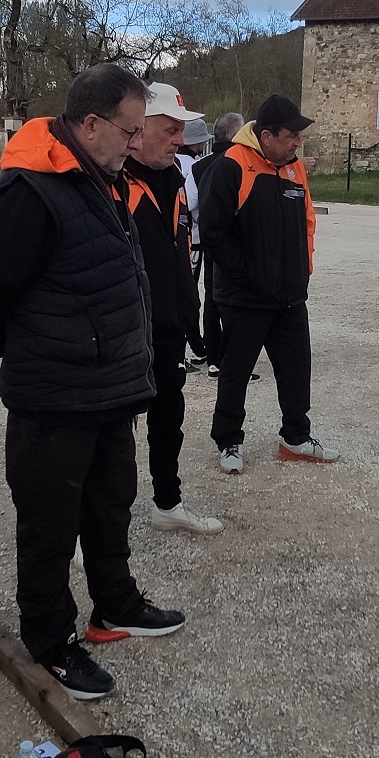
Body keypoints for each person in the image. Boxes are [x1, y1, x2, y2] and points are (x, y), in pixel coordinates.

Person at [0, 63, 185, 702]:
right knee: (49, 525)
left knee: (111, 504)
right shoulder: (34, 192)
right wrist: (45, 355)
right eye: (129, 130)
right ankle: (50, 642)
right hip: (53, 400)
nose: (137, 143)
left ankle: (114, 603)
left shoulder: (99, 178)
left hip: (109, 393)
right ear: (91, 124)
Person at [199, 94, 339, 474]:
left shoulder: (295, 170)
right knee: (236, 370)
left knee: (296, 368)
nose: (297, 142)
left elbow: (307, 222)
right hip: (245, 298)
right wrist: (246, 277)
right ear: (266, 134)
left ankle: (296, 437)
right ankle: (228, 440)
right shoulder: (232, 165)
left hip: (289, 296)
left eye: (298, 135)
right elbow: (213, 231)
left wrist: (301, 271)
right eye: (291, 135)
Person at [125, 84, 223, 536]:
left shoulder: (177, 181)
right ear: (137, 128)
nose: (179, 141)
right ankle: (101, 524)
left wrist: (191, 316)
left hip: (167, 329)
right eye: (169, 130)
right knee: (114, 433)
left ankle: (168, 502)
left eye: (181, 131)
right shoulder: (112, 182)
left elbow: (184, 254)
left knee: (169, 419)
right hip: (125, 330)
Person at [191, 112, 244, 377]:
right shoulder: (239, 164)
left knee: (212, 297)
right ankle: (233, 358)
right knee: (235, 299)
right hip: (234, 240)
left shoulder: (200, 166)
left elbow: (191, 203)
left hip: (208, 238)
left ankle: (214, 356)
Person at [177, 115, 213, 364]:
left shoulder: (171, 161)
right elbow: (189, 202)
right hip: (193, 237)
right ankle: (194, 345)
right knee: (189, 292)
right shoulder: (193, 166)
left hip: (177, 235)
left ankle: (194, 344)